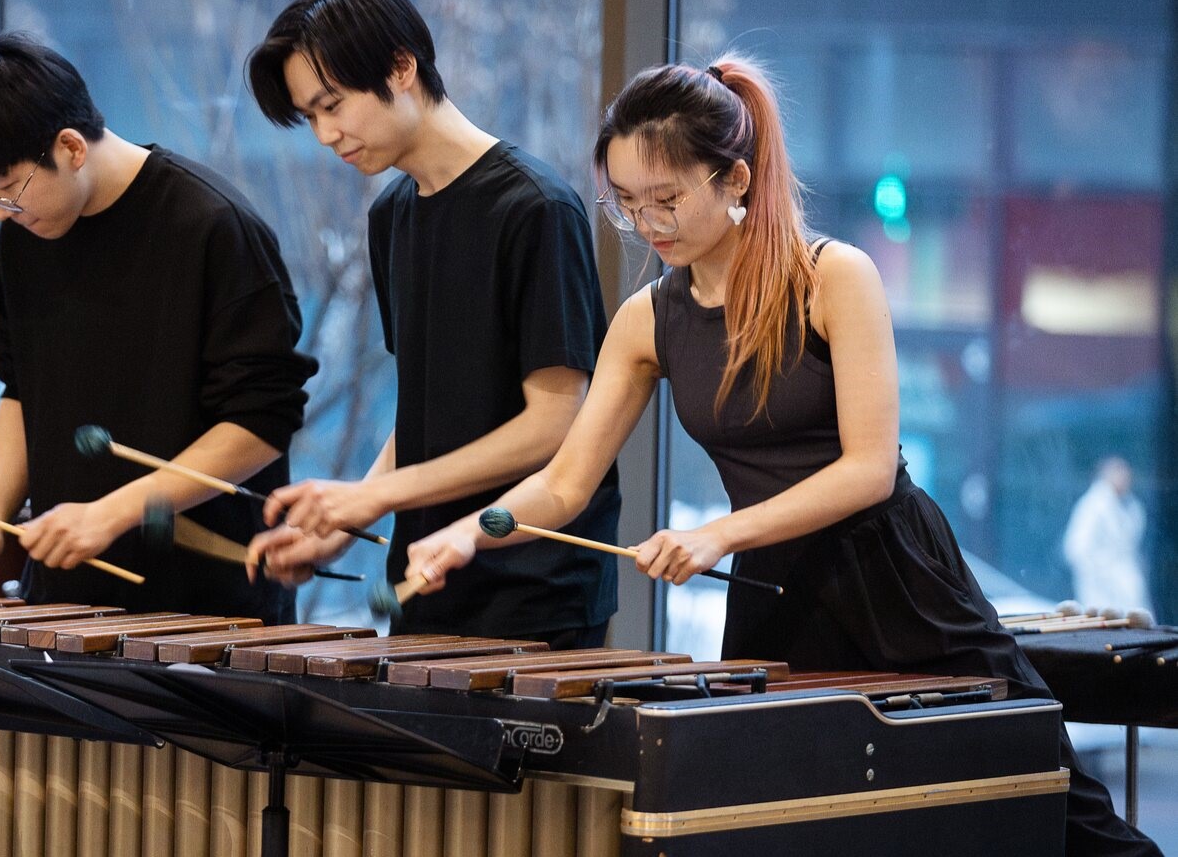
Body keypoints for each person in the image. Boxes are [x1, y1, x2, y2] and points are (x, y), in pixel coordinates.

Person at [404, 56, 1161, 855]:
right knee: (785, 824)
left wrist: (721, 534)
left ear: (734, 179)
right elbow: (565, 482)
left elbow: (870, 470)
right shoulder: (647, 319)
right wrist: (469, 534)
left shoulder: (834, 277)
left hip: (900, 580)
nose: (649, 224)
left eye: (667, 199)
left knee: (1054, 806)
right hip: (775, 595)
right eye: (627, 204)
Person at [242, 0, 620, 649]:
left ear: (401, 66)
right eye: (311, 118)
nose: (326, 134)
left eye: (333, 105)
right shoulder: (392, 216)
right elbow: (421, 415)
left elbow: (555, 422)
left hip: (533, 588)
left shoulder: (535, 208)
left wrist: (378, 498)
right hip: (423, 578)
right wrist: (342, 523)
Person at [0, 32, 317, 623]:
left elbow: (262, 424)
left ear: (71, 147)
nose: (4, 213)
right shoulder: (25, 242)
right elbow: (22, 388)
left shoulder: (212, 228)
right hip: (62, 606)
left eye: (8, 192)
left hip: (206, 612)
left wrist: (113, 512)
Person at [1063, 456, 1152, 613]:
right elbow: (1075, 548)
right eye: (1119, 473)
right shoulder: (1092, 505)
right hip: (1100, 588)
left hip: (1127, 584)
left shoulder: (1131, 505)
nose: (1125, 478)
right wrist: (1097, 574)